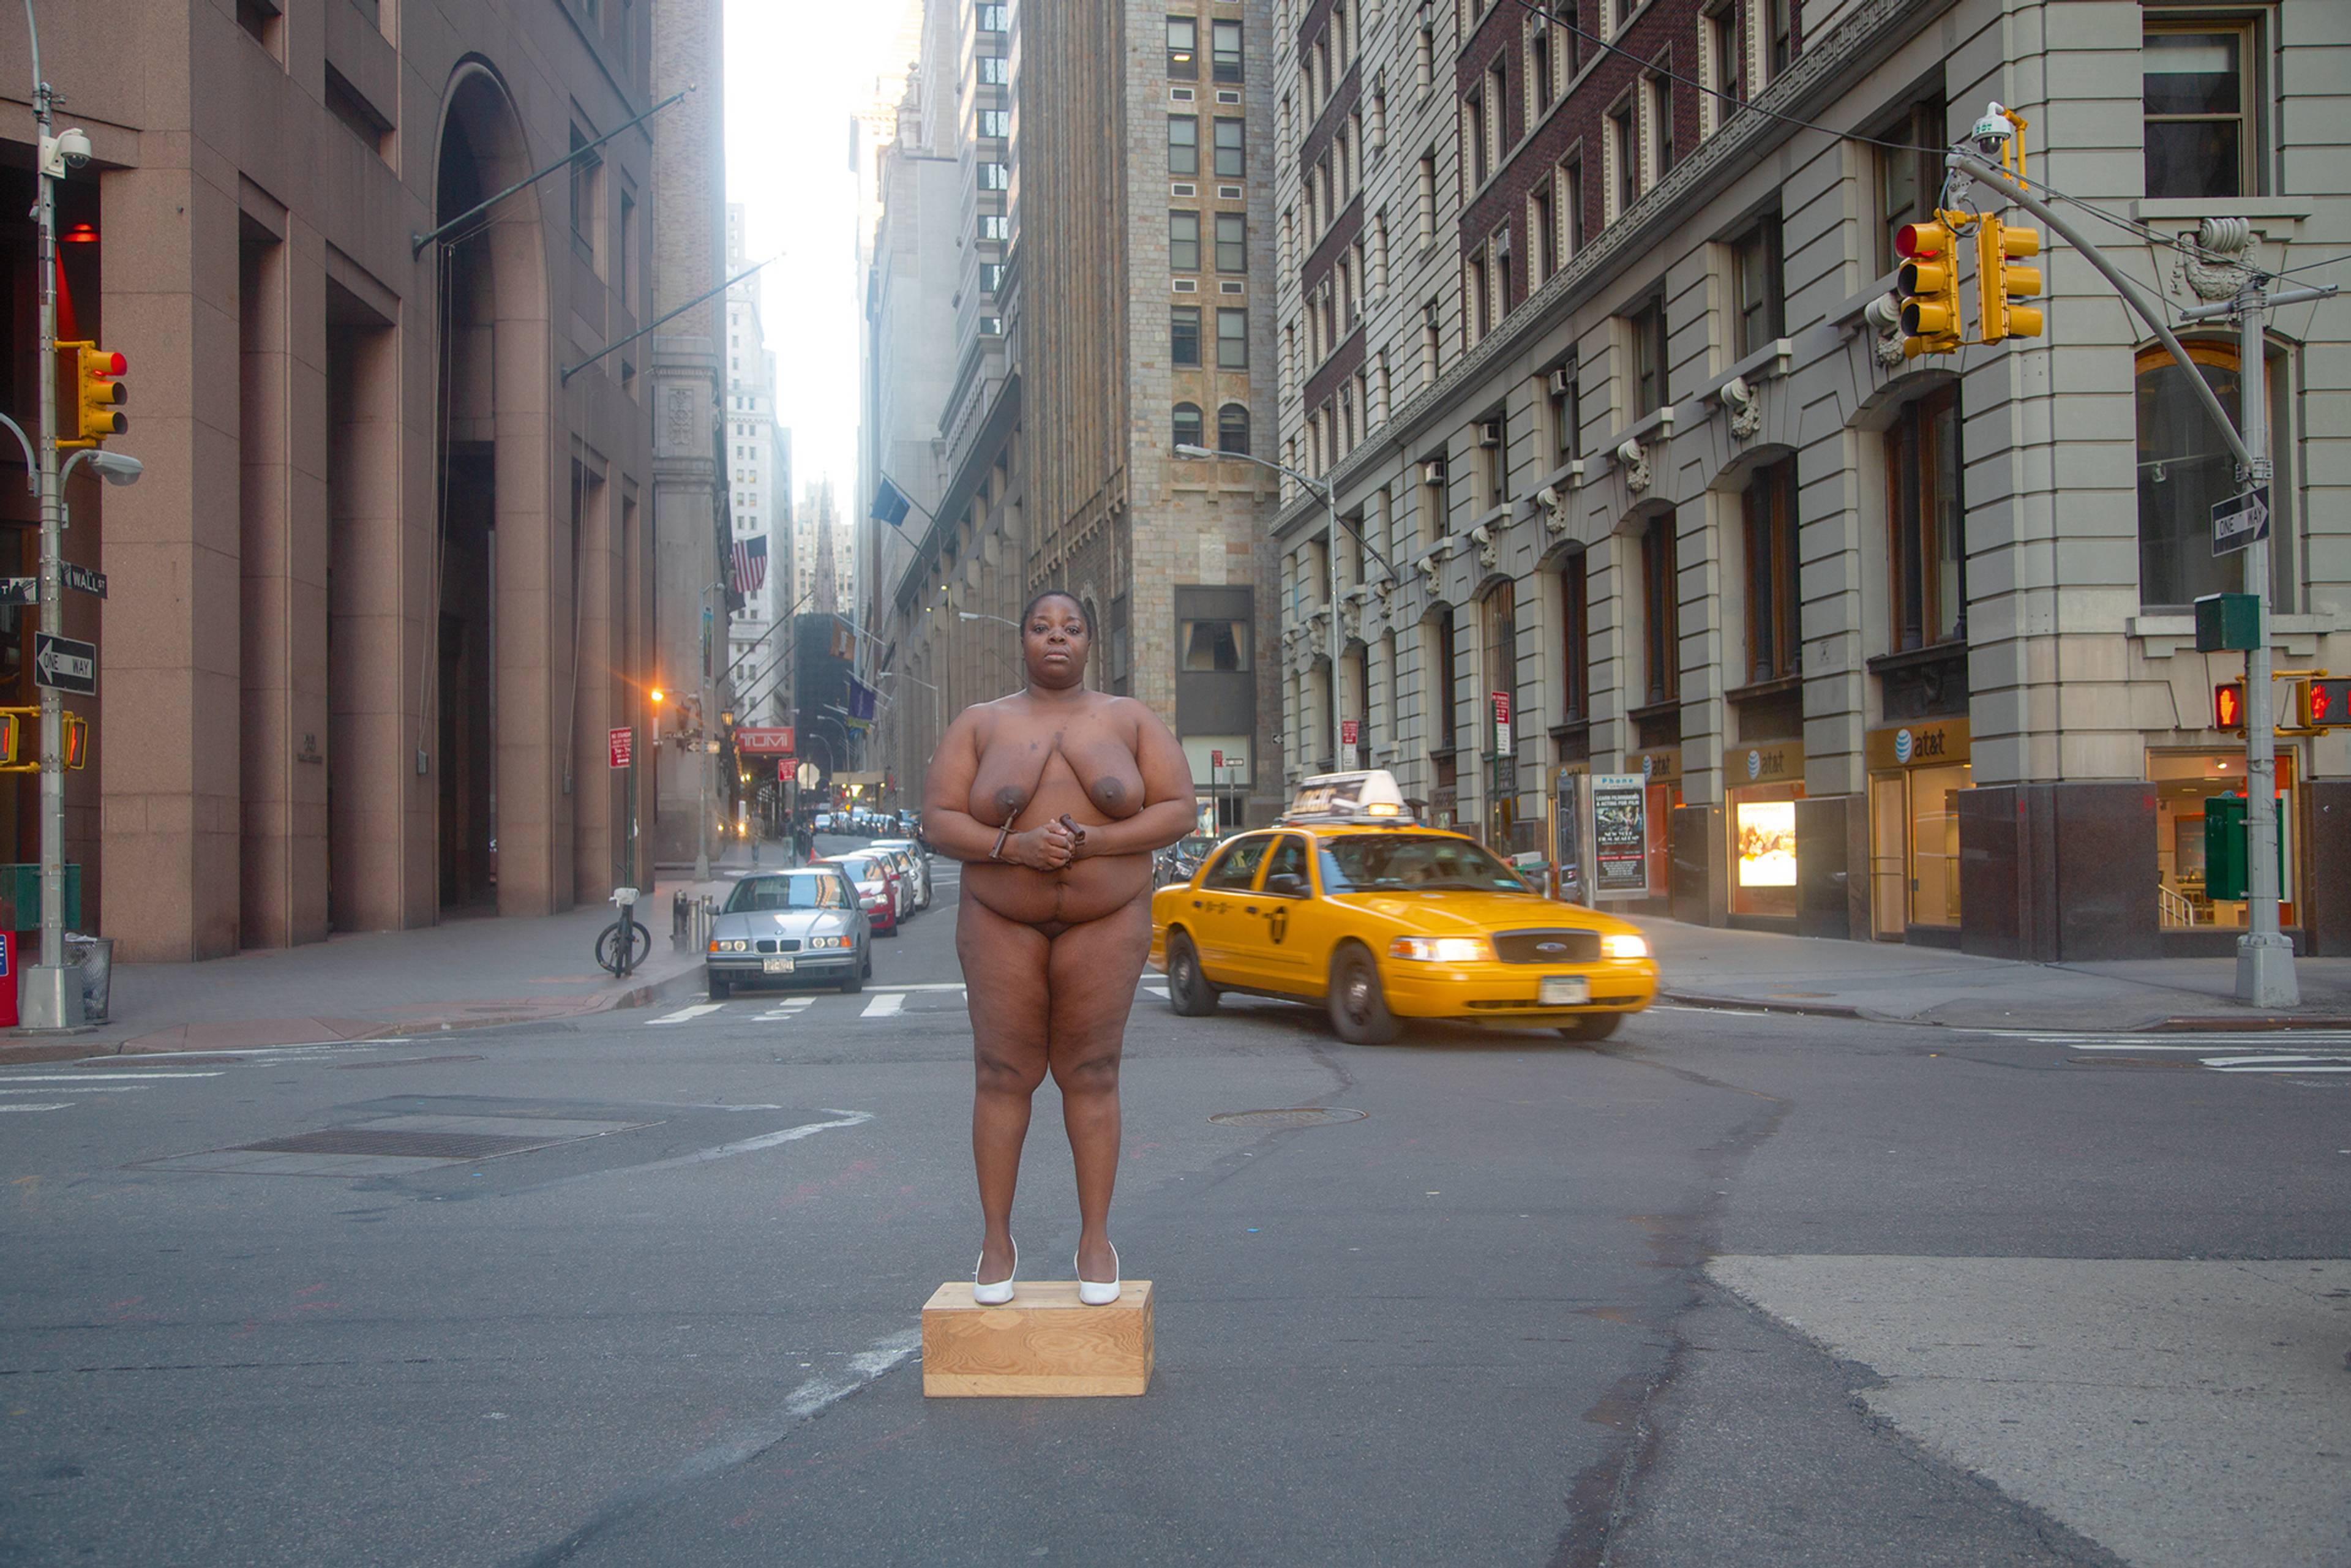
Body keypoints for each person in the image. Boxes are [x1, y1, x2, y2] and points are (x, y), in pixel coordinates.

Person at [923, 590, 1196, 1305]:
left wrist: (1096, 840)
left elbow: (1179, 809)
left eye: (1071, 628)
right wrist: (1011, 849)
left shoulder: (1128, 718)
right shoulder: (981, 723)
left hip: (1106, 916)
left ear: (1089, 644)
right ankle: (995, 1237)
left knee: (1094, 1071)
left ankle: (1096, 1236)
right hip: (999, 916)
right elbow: (938, 820)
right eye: (1042, 627)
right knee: (1003, 1071)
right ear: (1022, 640)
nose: (1056, 637)